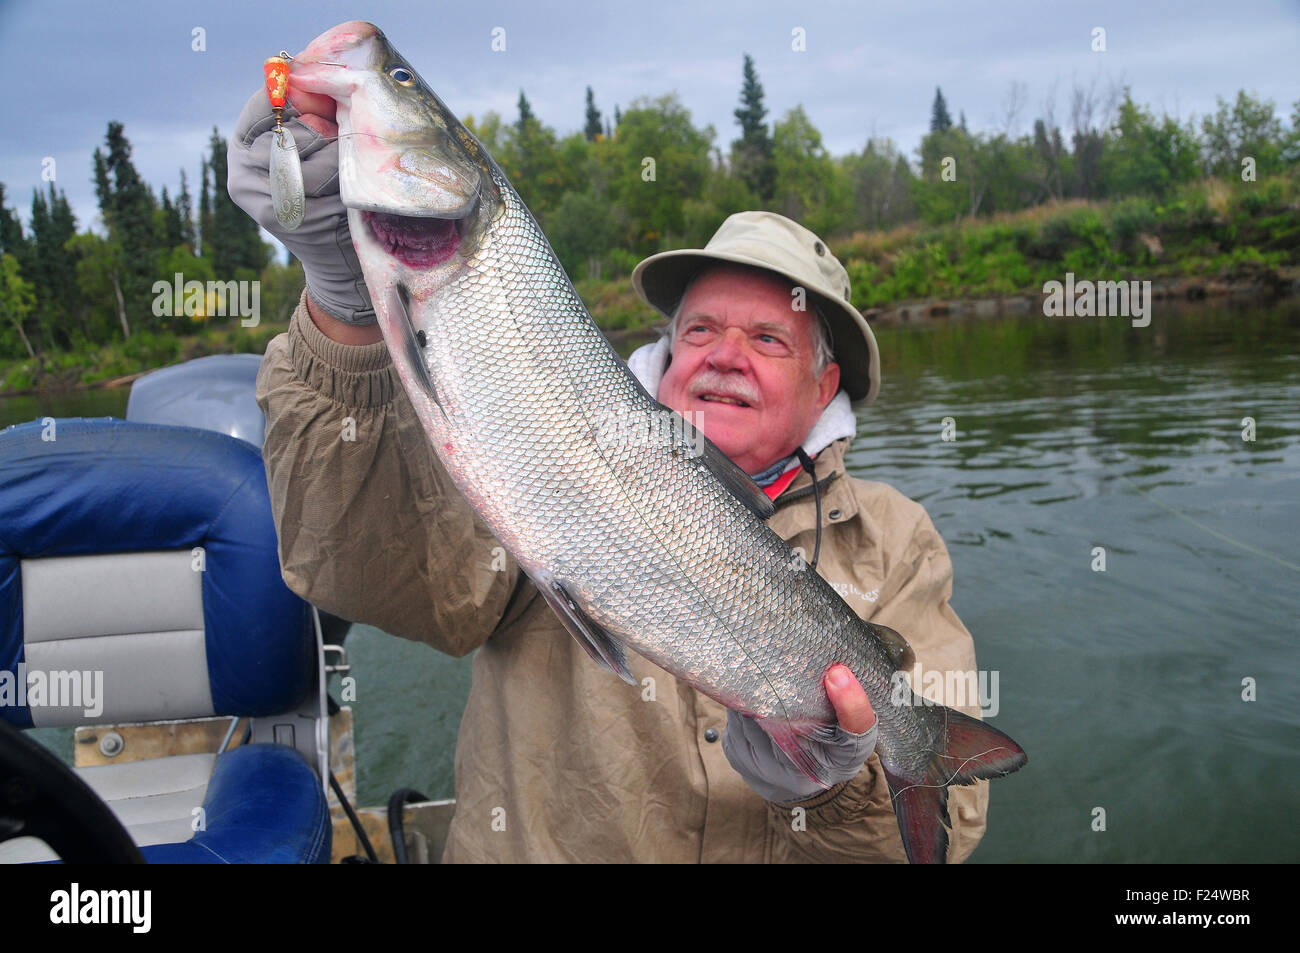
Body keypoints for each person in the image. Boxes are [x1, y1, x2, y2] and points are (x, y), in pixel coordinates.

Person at [229, 83, 991, 863]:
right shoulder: (531, 445)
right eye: (700, 328)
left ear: (824, 387)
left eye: (767, 338)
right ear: (666, 353)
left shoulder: (900, 541)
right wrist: (343, 305)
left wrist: (829, 781)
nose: (724, 354)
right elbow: (354, 569)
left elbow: (950, 832)